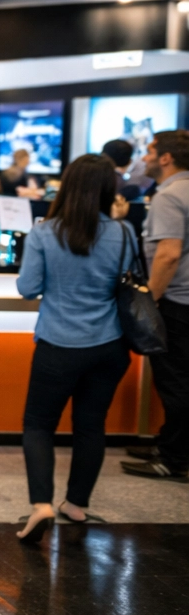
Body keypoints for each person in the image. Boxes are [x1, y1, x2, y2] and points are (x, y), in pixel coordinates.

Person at [10, 154, 137, 543]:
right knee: (90, 425)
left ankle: (42, 504)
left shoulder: (45, 233)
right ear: (108, 191)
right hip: (110, 345)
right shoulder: (125, 233)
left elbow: (27, 287)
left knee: (38, 425)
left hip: (58, 344)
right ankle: (76, 504)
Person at [127, 130, 189, 482]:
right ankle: (172, 444)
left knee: (176, 381)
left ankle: (172, 458)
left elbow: (168, 254)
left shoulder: (170, 197)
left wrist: (149, 300)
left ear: (165, 158)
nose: (145, 157)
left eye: (150, 151)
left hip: (178, 303)